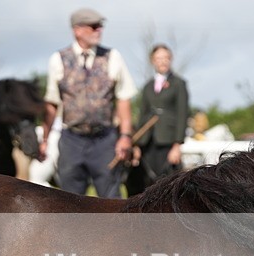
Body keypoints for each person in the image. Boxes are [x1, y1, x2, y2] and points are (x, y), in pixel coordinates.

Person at [40, 8, 137, 198]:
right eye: (93, 27)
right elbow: (51, 103)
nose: (99, 30)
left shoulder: (113, 57)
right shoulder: (58, 60)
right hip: (71, 141)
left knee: (111, 201)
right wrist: (44, 139)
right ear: (77, 30)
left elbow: (123, 99)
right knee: (69, 203)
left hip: (105, 141)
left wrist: (125, 136)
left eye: (100, 26)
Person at [127, 44, 190, 196]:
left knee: (168, 183)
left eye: (166, 58)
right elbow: (142, 114)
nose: (162, 62)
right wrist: (137, 144)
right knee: (146, 183)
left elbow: (183, 114)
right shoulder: (148, 86)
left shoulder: (179, 84)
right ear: (152, 61)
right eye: (158, 58)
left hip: (168, 141)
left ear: (170, 59)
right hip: (148, 141)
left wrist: (177, 145)